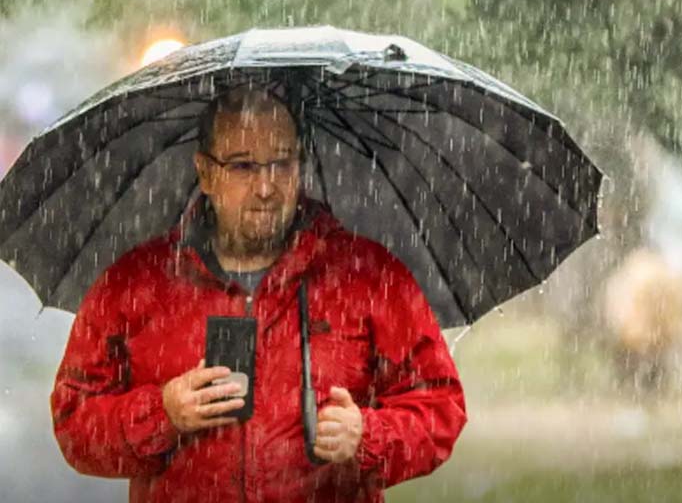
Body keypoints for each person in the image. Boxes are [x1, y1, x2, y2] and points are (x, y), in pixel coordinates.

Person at [50, 86, 468, 502]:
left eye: (282, 163)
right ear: (206, 173)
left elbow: (440, 406)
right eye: (243, 165)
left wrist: (367, 435)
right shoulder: (135, 282)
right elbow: (74, 424)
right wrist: (162, 414)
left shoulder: (367, 275)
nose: (267, 187)